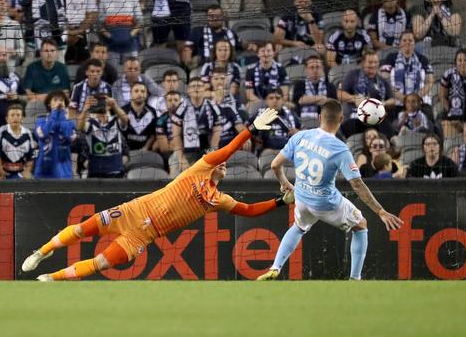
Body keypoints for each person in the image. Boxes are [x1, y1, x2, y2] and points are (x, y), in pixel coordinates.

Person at [21, 108, 295, 281]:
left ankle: (51, 279)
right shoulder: (200, 168)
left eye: (225, 165)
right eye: (219, 162)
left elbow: (249, 210)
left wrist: (281, 202)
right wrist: (251, 129)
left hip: (143, 236)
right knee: (82, 229)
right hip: (133, 211)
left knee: (101, 263)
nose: (223, 163)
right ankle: (42, 252)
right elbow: (227, 150)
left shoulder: (217, 199)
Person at [257, 99, 403, 281]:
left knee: (298, 227)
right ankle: (355, 279)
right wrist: (380, 211)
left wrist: (284, 182)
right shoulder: (340, 149)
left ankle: (275, 267)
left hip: (302, 197)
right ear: (341, 119)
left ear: (319, 117)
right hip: (326, 202)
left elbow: (274, 165)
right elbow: (357, 184)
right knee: (361, 225)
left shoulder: (300, 136)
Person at [34, 90, 77, 179]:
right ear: (49, 104)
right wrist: (54, 114)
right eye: (55, 100)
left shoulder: (70, 123)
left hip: (64, 169)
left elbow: (69, 138)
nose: (59, 102)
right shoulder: (40, 121)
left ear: (65, 104)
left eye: (61, 100)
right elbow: (42, 135)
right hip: (45, 168)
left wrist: (61, 115)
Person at [0, 104, 36, 179]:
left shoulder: (28, 133)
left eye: (18, 115)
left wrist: (27, 171)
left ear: (23, 118)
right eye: (12, 115)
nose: (15, 118)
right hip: (3, 171)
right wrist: (0, 170)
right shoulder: (2, 131)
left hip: (20, 173)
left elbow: (31, 156)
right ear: (7, 119)